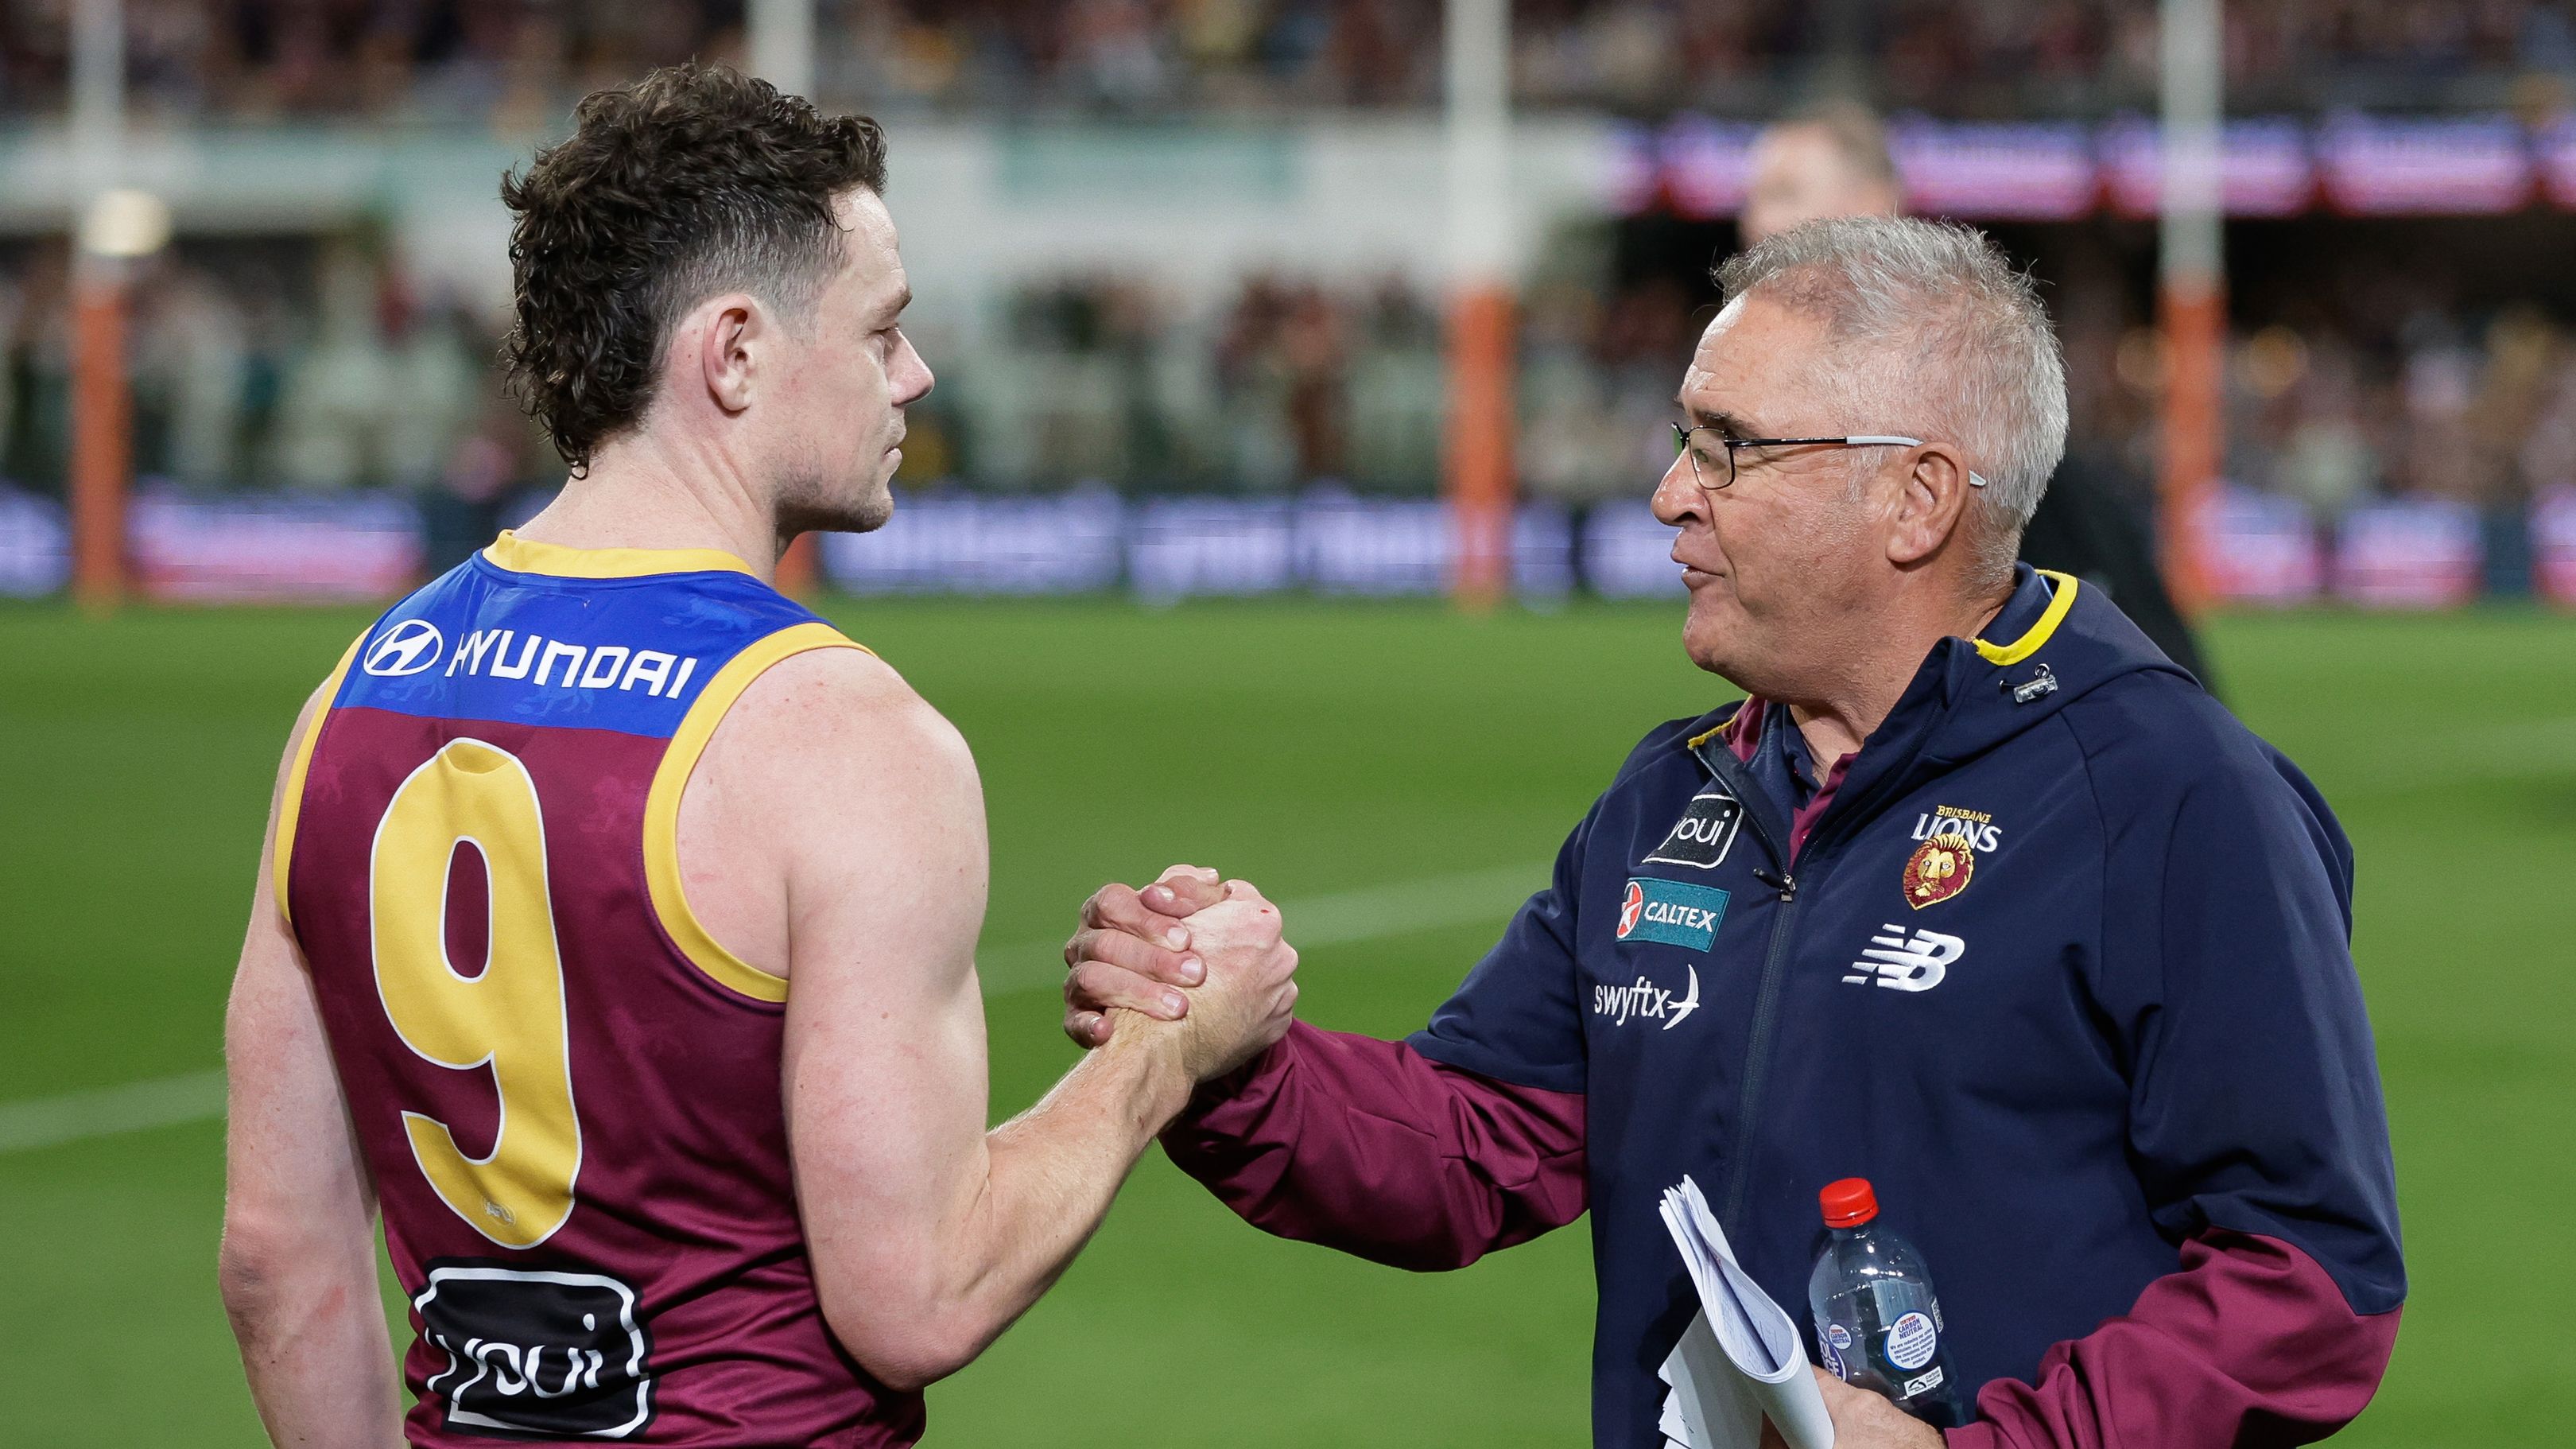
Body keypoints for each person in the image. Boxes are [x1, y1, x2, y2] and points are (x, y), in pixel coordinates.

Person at [1065, 218, 2403, 1448]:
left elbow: (2307, 1277)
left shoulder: (2173, 793)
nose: (1668, 494)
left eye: (1730, 447)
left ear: (1916, 498)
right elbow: (1470, 1139)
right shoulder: (1677, 796)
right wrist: (1227, 1058)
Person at [217, 64, 1296, 1447]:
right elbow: (919, 1290)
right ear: (733, 353)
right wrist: (1164, 1051)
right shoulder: (841, 737)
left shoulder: (350, 702)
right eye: (882, 329)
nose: (916, 374)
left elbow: (275, 1258)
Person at [1739, 101, 2213, 690]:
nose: (1754, 223)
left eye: (1783, 193)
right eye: (1754, 196)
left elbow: (2147, 653)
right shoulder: (1799, 382)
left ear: (1871, 203)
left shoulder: (1963, 385)